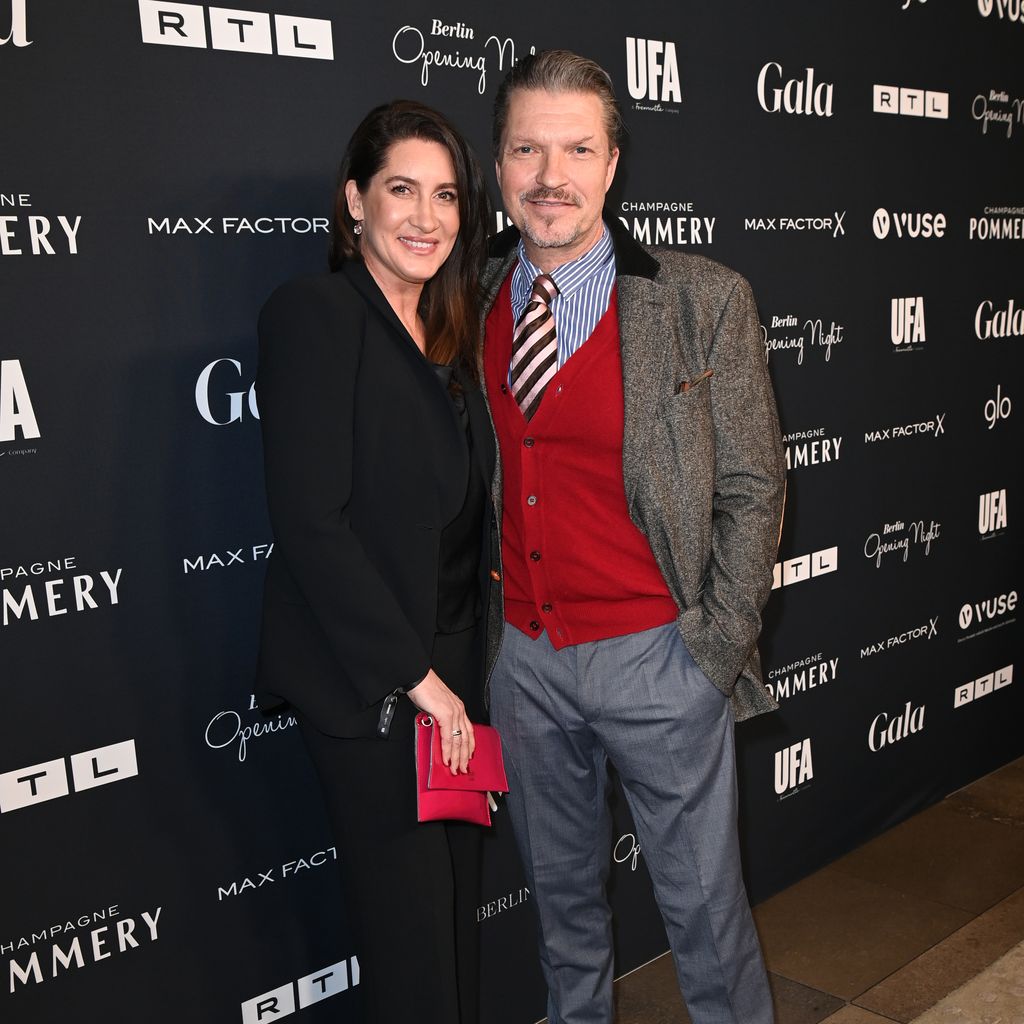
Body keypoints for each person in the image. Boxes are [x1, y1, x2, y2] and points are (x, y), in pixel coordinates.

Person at [480, 51, 785, 1024]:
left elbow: (753, 484)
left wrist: (714, 646)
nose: (550, 176)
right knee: (563, 917)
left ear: (612, 165)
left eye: (577, 149)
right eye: (527, 149)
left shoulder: (701, 298)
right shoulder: (464, 297)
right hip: (522, 662)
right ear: (498, 165)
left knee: (706, 921)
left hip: (662, 660)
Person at [254, 100, 493, 1024]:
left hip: (459, 675)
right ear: (355, 201)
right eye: (402, 190)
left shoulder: (454, 336)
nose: (427, 217)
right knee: (412, 942)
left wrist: (465, 678)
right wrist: (420, 682)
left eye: (446, 195)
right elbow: (310, 524)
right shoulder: (315, 316)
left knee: (456, 922)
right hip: (378, 692)